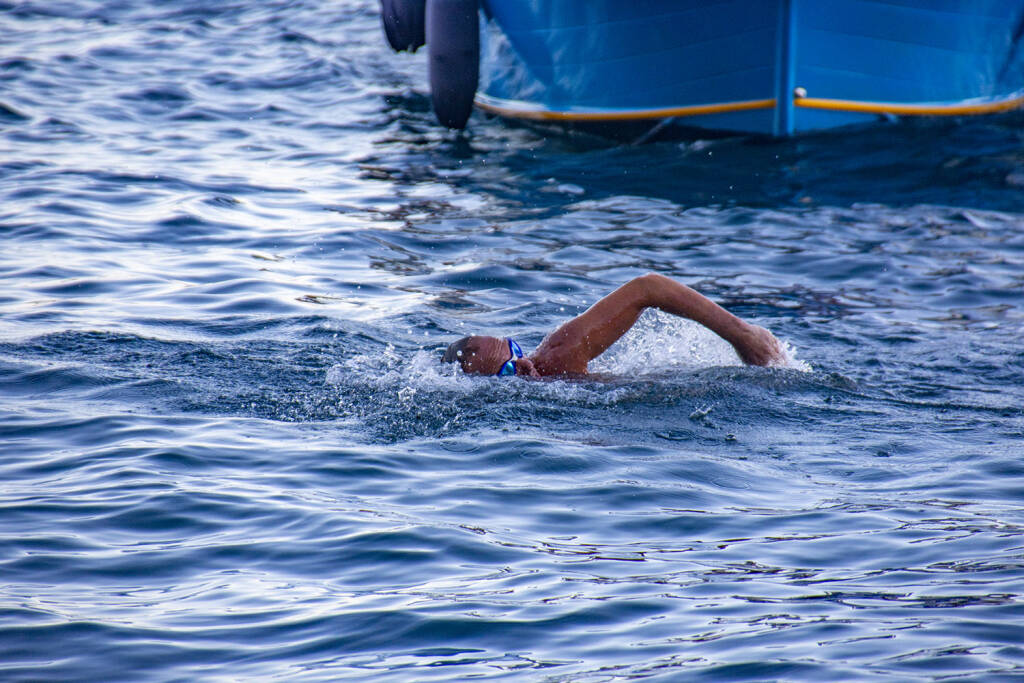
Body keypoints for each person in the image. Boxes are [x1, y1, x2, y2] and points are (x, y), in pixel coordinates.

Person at [442, 273, 784, 378]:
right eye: (506, 371)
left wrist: (741, 334)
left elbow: (648, 287)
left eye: (516, 352)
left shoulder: (560, 354)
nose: (524, 366)